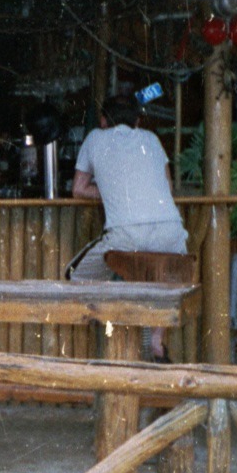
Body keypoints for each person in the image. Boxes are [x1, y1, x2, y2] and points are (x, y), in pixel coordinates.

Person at [69, 94, 188, 360]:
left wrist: (113, 192)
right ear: (137, 121)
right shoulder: (151, 139)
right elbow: (167, 188)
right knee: (159, 283)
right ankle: (156, 340)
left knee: (74, 277)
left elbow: (78, 189)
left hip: (127, 236)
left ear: (102, 121)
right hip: (173, 236)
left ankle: (115, 331)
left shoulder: (94, 138)